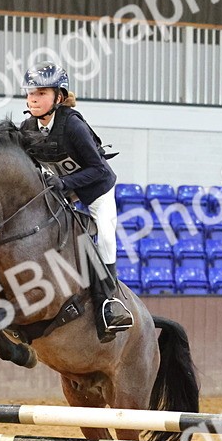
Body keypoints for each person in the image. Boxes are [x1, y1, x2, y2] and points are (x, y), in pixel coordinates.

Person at [19, 61, 132, 341]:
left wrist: (66, 183)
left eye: (42, 93)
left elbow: (99, 169)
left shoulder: (73, 125)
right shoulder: (27, 127)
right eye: (31, 92)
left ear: (58, 97)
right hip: (63, 189)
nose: (34, 98)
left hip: (96, 188)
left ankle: (110, 304)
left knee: (105, 235)